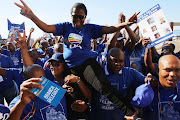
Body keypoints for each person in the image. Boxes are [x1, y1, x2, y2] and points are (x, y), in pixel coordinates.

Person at [15, 0, 140, 117]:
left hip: (87, 65)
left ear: (85, 18)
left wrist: (126, 23)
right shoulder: (65, 27)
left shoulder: (89, 28)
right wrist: (31, 16)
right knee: (71, 96)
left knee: (102, 86)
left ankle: (129, 111)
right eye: (75, 16)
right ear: (71, 16)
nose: (78, 19)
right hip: (71, 68)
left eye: (81, 17)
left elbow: (109, 29)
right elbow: (46, 27)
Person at [90, 48, 156, 120]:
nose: (117, 64)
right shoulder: (97, 72)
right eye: (114, 61)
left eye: (121, 61)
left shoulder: (129, 73)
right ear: (107, 59)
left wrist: (149, 79)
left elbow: (145, 80)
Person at [143, 55, 180, 120]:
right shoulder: (149, 89)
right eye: (167, 70)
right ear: (157, 70)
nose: (172, 74)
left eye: (177, 70)